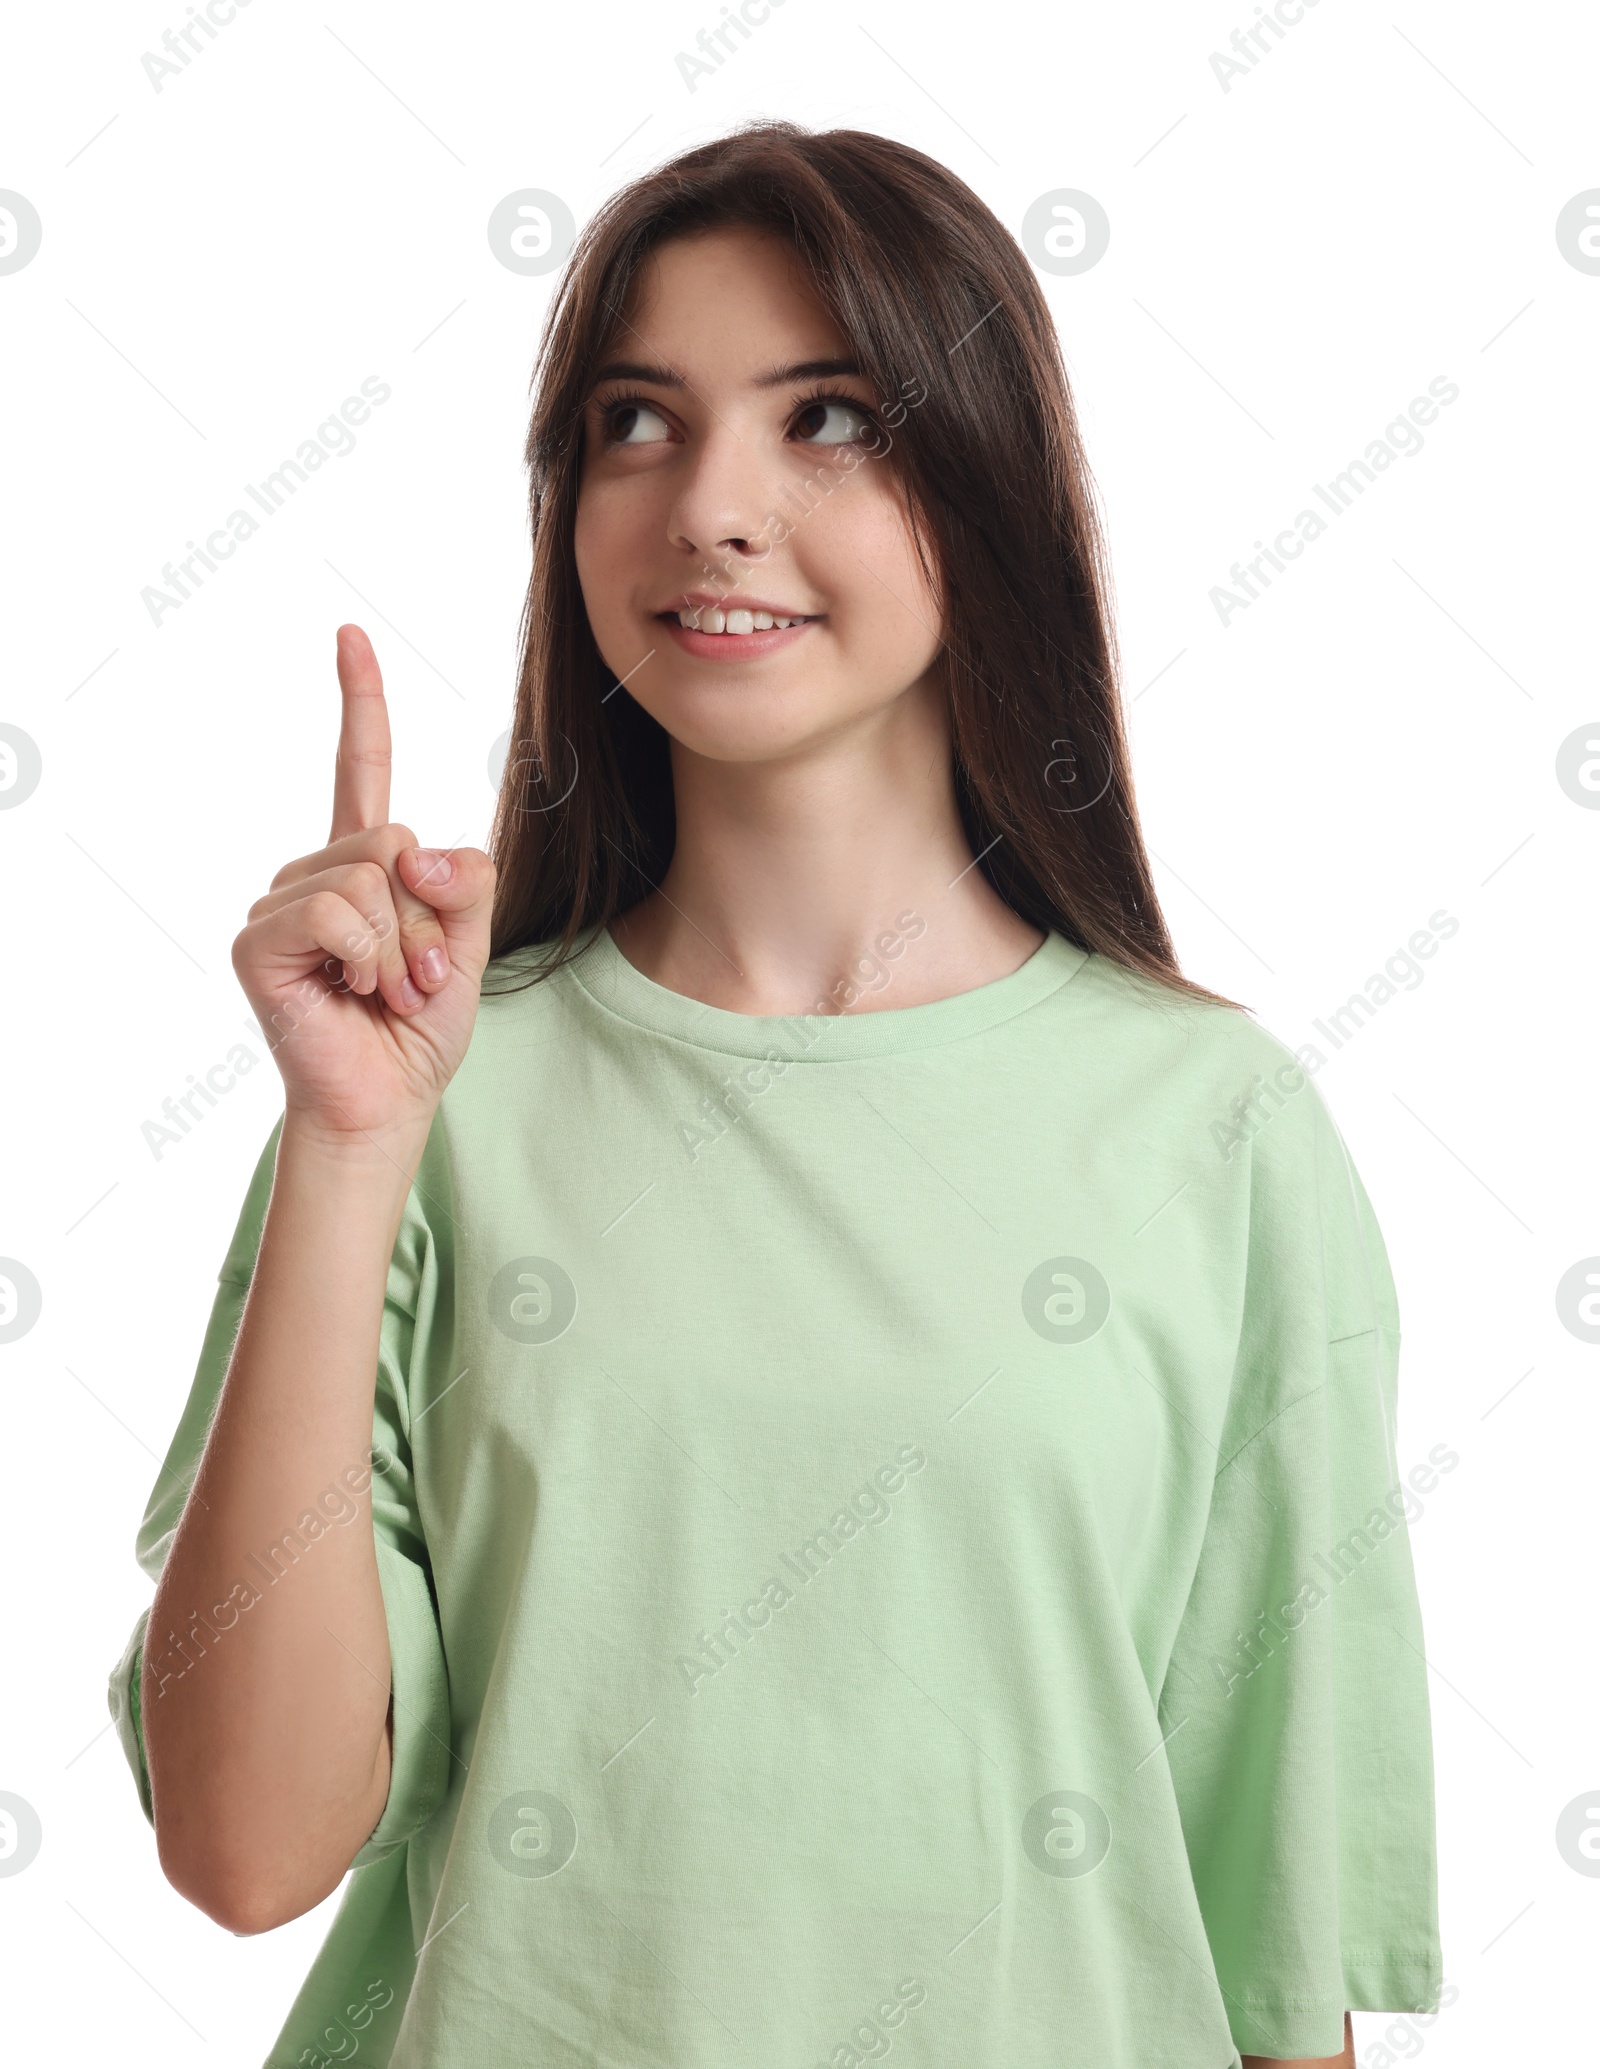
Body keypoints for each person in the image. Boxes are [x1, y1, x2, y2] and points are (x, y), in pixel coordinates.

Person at [108, 121, 1442, 2069]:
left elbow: (1267, 1937)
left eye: (825, 417)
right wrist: (347, 1142)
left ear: (982, 490)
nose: (708, 506)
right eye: (635, 422)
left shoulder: (1213, 1132)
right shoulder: (423, 1100)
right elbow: (245, 1850)